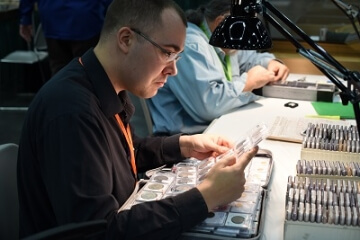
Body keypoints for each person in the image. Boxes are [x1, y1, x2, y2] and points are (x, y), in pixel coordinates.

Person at [17, 0, 258, 239]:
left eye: (177, 56)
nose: (173, 70)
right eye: (167, 53)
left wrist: (184, 145)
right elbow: (99, 232)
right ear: (126, 39)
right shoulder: (72, 111)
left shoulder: (102, 84)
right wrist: (205, 197)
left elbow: (121, 154)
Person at [147, 0, 290, 136]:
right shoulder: (191, 45)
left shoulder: (227, 39)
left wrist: (271, 62)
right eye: (244, 28)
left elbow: (248, 59)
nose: (246, 37)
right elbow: (209, 106)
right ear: (221, 22)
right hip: (184, 140)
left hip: (214, 128)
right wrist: (247, 83)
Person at [19, 0, 112, 75]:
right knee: (88, 73)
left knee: (59, 73)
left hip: (53, 17)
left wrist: (25, 18)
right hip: (85, 17)